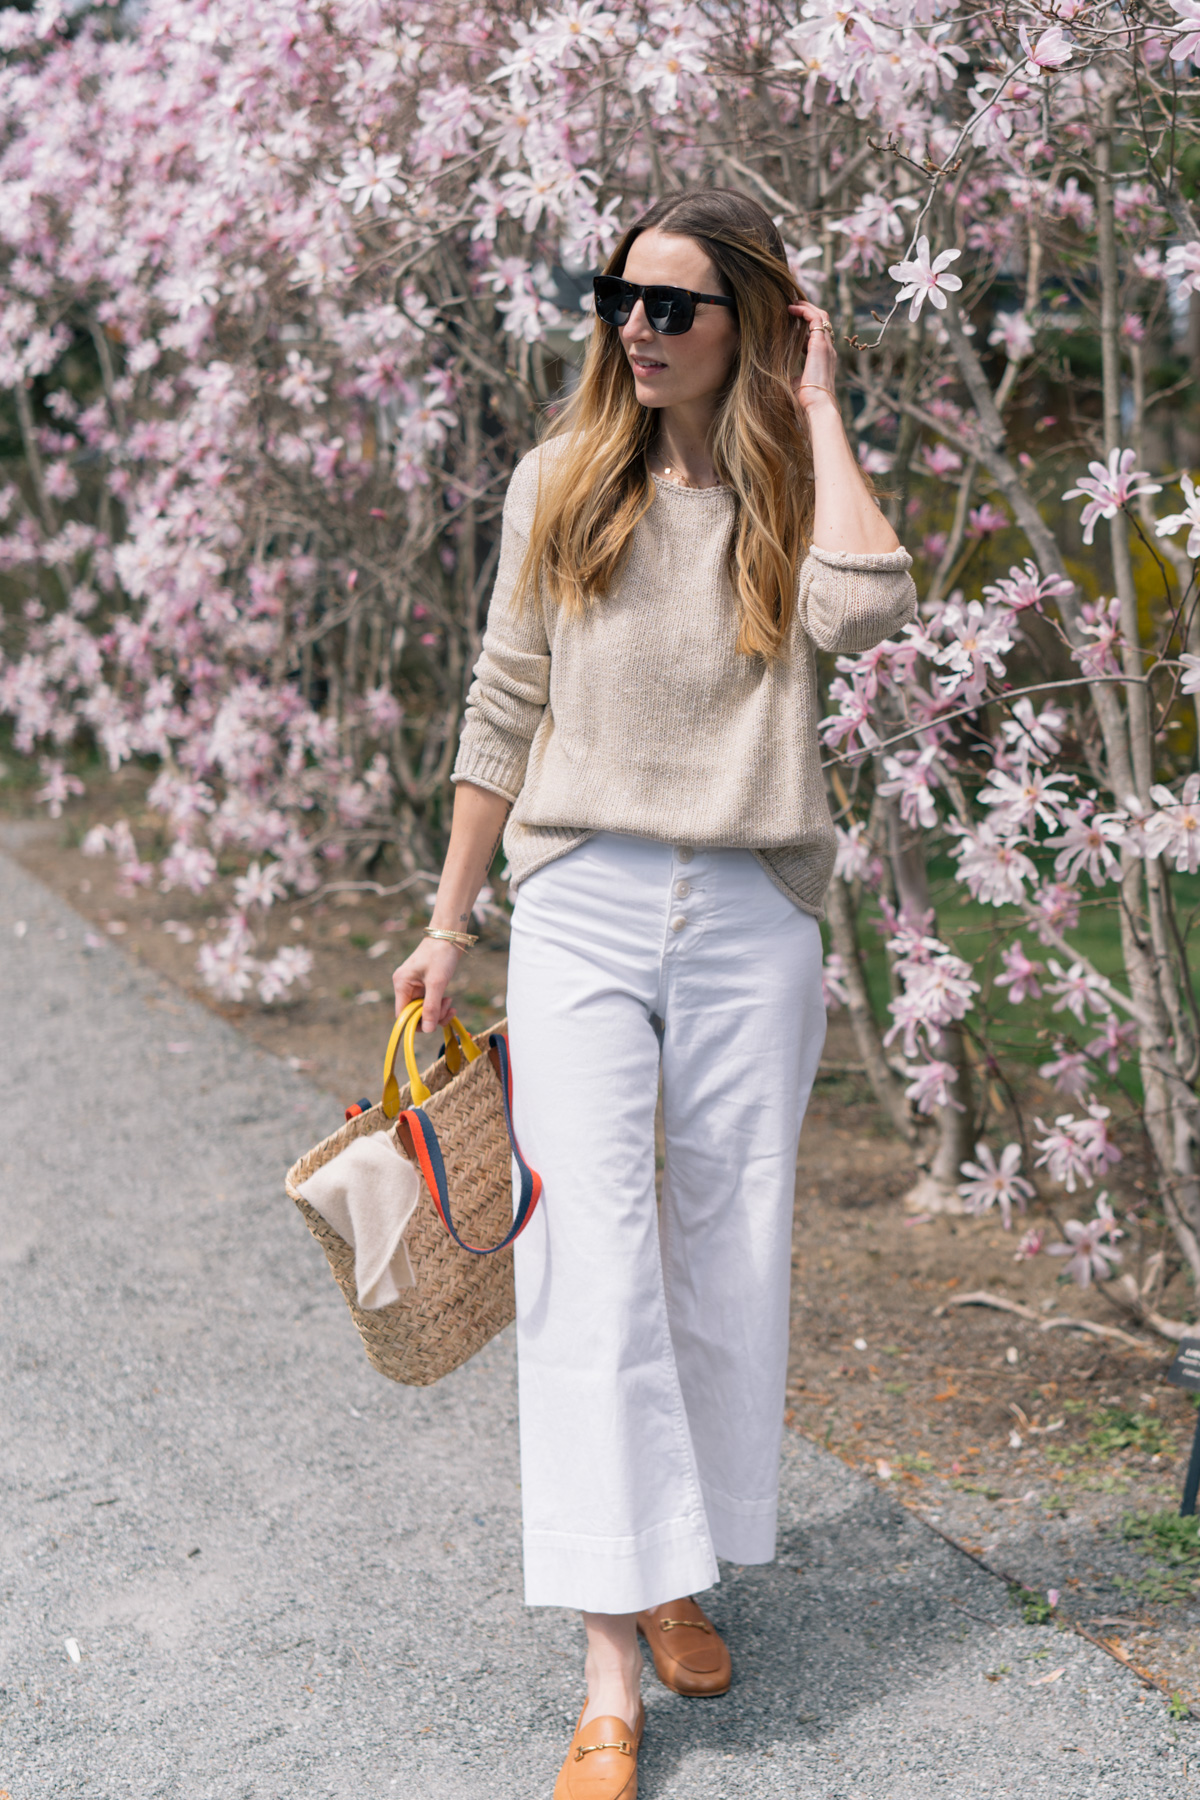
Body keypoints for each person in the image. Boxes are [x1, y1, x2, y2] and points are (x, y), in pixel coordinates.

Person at [392, 188, 916, 1798]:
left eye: (674, 304)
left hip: (753, 904)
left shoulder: (778, 493)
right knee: (588, 1264)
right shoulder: (560, 480)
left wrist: (819, 410)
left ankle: (673, 1563)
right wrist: (448, 924)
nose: (636, 323)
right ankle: (609, 1665)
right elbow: (501, 700)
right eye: (619, 293)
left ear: (748, 324)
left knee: (724, 1250)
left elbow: (872, 607)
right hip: (584, 903)